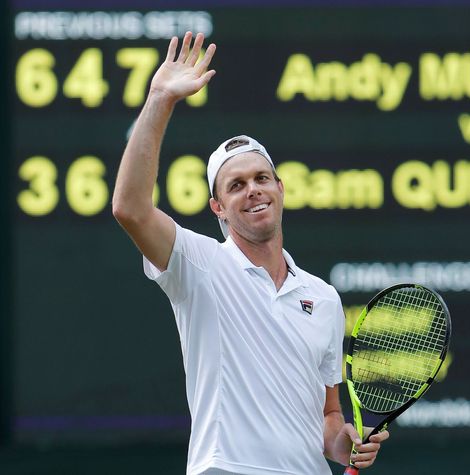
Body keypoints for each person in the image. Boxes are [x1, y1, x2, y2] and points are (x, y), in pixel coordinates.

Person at [112, 32, 389, 475]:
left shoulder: (323, 298)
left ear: (280, 189)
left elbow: (327, 417)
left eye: (262, 178)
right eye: (236, 185)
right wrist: (161, 98)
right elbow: (129, 208)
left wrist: (345, 444)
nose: (253, 190)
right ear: (218, 208)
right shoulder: (198, 265)